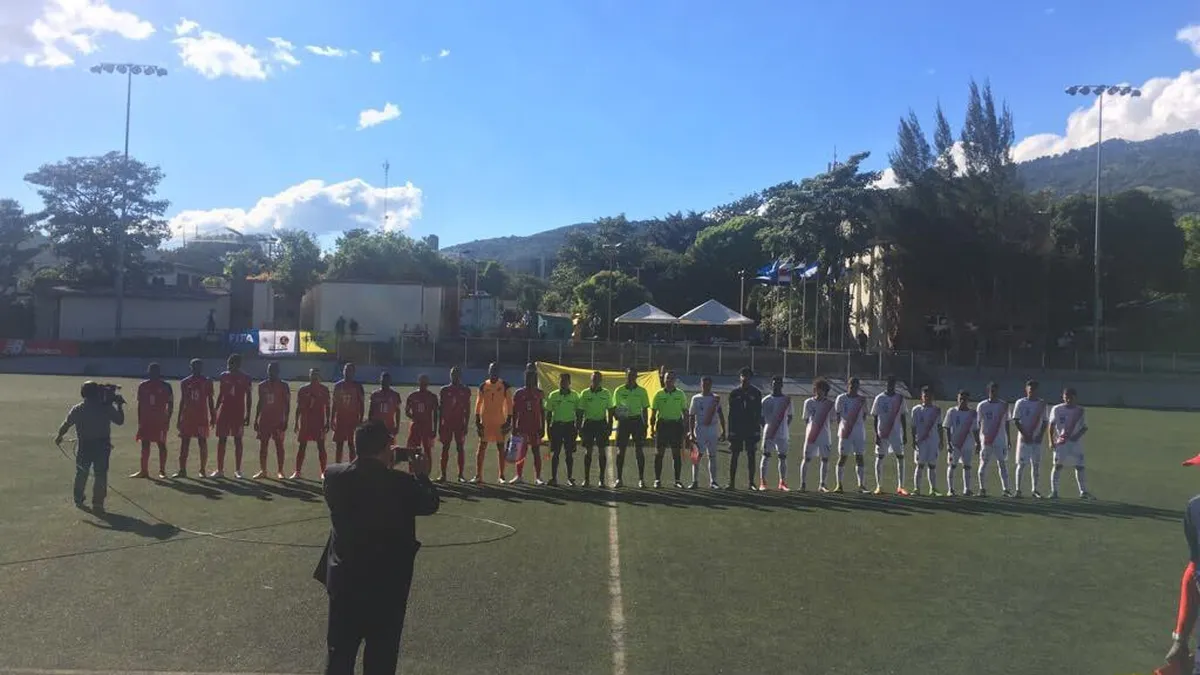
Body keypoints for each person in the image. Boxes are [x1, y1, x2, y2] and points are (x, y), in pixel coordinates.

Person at [315, 419, 440, 675]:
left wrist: (380, 461)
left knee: (339, 656)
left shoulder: (334, 477)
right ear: (385, 449)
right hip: (386, 586)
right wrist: (422, 475)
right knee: (381, 659)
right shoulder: (402, 484)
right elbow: (430, 504)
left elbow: (353, 473)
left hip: (345, 582)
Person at [56, 381, 125, 514]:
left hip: (84, 445)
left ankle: (78, 497)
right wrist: (119, 406)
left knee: (81, 472)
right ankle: (98, 503)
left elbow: (66, 424)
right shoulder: (105, 407)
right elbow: (120, 421)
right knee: (101, 475)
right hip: (102, 445)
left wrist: (59, 436)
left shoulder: (78, 408)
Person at [213, 353, 253, 478]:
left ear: (238, 364)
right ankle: (220, 470)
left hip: (238, 412)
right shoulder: (223, 376)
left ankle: (238, 470)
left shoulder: (246, 378)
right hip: (224, 411)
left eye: (231, 363)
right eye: (228, 363)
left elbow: (249, 396)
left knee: (238, 439)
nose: (229, 365)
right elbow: (221, 394)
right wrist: (215, 410)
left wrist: (248, 414)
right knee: (222, 439)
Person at [1048, 387, 1092, 499]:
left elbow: (1085, 427)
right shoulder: (1057, 409)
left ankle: (1083, 492)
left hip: (1076, 443)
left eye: (1071, 398)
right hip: (1061, 442)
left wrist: (1076, 436)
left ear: (1075, 398)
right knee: (1057, 466)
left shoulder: (1080, 410)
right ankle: (1054, 492)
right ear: (1063, 397)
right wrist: (1051, 441)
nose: (1068, 400)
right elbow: (1051, 425)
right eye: (1066, 397)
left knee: (1080, 466)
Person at [870, 375, 910, 495]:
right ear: (886, 384)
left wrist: (905, 434)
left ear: (895, 384)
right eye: (889, 383)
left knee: (900, 457)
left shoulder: (900, 398)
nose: (890, 385)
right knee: (880, 457)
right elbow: (875, 417)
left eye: (892, 383)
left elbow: (903, 416)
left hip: (896, 433)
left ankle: (901, 486)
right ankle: (879, 486)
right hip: (882, 432)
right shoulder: (879, 398)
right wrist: (876, 435)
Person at [132, 363, 172, 479]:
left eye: (156, 371)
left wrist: (168, 418)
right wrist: (140, 420)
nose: (153, 373)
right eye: (151, 371)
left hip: (160, 420)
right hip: (146, 420)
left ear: (159, 372)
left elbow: (171, 404)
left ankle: (162, 471)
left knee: (161, 444)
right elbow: (140, 404)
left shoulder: (166, 386)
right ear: (148, 372)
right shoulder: (143, 386)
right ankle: (144, 470)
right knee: (145, 444)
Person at [474, 363, 512, 483]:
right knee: (482, 447)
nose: (493, 372)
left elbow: (510, 404)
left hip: (499, 421)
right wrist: (477, 420)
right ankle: (478, 475)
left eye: (495, 370)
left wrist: (508, 420)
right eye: (492, 370)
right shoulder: (483, 386)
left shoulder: (505, 386)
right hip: (485, 421)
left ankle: (501, 476)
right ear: (488, 371)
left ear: (499, 372)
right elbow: (478, 404)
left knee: (501, 448)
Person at [612, 368, 651, 488]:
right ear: (626, 376)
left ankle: (641, 479)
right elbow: (615, 407)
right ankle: (619, 479)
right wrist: (619, 415)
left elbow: (644, 409)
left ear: (636, 377)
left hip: (637, 422)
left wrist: (645, 425)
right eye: (629, 375)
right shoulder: (619, 390)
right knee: (620, 451)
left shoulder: (642, 391)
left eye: (633, 375)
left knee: (639, 450)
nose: (631, 378)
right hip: (624, 422)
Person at [177, 358, 215, 478]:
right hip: (188, 416)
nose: (196, 369)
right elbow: (182, 400)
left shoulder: (207, 382)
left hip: (201, 417)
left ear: (201, 368)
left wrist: (213, 415)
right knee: (185, 443)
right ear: (191, 367)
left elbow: (210, 400)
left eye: (198, 366)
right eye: (194, 366)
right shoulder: (185, 382)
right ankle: (182, 470)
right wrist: (179, 418)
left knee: (202, 442)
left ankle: (202, 470)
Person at [1011, 379, 1048, 498]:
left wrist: (1040, 435)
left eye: (1034, 389)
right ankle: (1018, 490)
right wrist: (1025, 434)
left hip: (1036, 440)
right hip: (1024, 440)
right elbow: (1016, 420)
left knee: (1036, 465)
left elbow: (1045, 421)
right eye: (1030, 389)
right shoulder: (1020, 403)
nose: (1032, 391)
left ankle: (1035, 490)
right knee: (1021, 465)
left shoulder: (1041, 404)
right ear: (1026, 389)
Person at [727, 367, 763, 490]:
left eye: (747, 376)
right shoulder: (734, 393)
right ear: (740, 377)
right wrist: (730, 430)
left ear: (751, 378)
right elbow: (731, 413)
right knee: (734, 455)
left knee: (751, 455)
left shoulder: (756, 393)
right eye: (743, 375)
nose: (745, 378)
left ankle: (751, 483)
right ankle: (731, 483)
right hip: (737, 428)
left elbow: (758, 413)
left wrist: (757, 430)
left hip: (751, 428)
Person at [650, 370, 687, 489]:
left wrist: (685, 429)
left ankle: (677, 480)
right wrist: (652, 428)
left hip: (676, 426)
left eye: (671, 378)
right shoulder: (659, 394)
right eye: (667, 378)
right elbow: (653, 413)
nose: (669, 380)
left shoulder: (680, 394)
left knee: (676, 454)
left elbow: (685, 412)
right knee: (659, 453)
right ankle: (657, 480)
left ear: (675, 380)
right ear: (664, 380)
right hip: (663, 426)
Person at [254, 362, 291, 480]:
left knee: (279, 445)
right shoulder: (262, 385)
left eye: (273, 370)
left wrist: (286, 420)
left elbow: (287, 404)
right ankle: (263, 470)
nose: (271, 372)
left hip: (278, 420)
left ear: (278, 371)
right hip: (265, 420)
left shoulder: (284, 386)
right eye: (269, 370)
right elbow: (260, 402)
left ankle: (280, 471)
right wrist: (256, 419)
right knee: (263, 445)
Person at [687, 376, 725, 489]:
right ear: (701, 384)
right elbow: (691, 416)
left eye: (708, 384)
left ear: (711, 385)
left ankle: (713, 482)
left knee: (712, 456)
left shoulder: (716, 398)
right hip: (700, 429)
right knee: (696, 457)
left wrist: (723, 430)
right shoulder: (696, 398)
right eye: (704, 384)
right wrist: (691, 433)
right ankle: (694, 481)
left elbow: (721, 414)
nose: (706, 386)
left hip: (712, 429)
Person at [976, 381, 1012, 497]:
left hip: (1000, 439)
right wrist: (978, 441)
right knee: (983, 463)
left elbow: (1007, 422)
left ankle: (1006, 490)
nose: (994, 393)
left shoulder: (1004, 405)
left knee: (1002, 464)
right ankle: (982, 489)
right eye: (992, 391)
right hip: (986, 440)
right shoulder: (982, 405)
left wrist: (1008, 439)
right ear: (988, 391)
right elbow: (977, 423)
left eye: (995, 391)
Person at [577, 371, 613, 487]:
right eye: (593, 379)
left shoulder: (606, 393)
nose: (595, 381)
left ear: (601, 380)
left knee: (602, 451)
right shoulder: (585, 393)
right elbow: (580, 411)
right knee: (588, 451)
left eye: (597, 379)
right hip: (589, 424)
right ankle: (586, 479)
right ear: (591, 380)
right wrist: (579, 427)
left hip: (601, 424)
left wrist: (610, 425)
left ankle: (601, 479)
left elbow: (610, 410)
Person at [510, 369, 545, 485]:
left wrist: (542, 427)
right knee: (521, 452)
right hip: (522, 426)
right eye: (527, 378)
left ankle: (538, 477)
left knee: (536, 451)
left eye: (531, 378)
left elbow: (542, 411)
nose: (529, 380)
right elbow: (514, 411)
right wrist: (513, 427)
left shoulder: (539, 393)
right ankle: (519, 476)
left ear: (534, 379)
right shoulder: (519, 393)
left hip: (535, 427)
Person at [759, 376, 794, 491]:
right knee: (766, 456)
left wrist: (783, 427)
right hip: (769, 433)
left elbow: (790, 416)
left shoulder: (787, 400)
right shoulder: (766, 400)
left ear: (782, 385)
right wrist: (767, 427)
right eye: (774, 384)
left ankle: (782, 482)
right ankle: (763, 483)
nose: (776, 386)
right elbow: (761, 417)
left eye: (778, 384)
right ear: (771, 385)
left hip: (782, 433)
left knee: (782, 457)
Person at [833, 377, 868, 493]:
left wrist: (857, 425)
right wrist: (844, 427)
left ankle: (861, 485)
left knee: (859, 457)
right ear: (848, 386)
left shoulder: (862, 399)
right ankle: (839, 485)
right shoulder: (841, 398)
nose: (854, 389)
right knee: (842, 457)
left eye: (856, 387)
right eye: (852, 386)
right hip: (845, 432)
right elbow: (838, 415)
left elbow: (864, 415)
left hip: (859, 432)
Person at [295, 368, 331, 479]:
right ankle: (297, 471)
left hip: (319, 423)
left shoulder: (324, 389)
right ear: (309, 375)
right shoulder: (303, 389)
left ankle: (323, 472)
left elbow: (327, 406)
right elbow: (298, 407)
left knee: (321, 446)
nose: (314, 376)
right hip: (305, 422)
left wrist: (327, 421)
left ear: (319, 376)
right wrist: (296, 422)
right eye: (312, 374)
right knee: (302, 446)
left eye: (316, 374)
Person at [437, 366, 472, 483]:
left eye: (456, 374)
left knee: (460, 448)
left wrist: (466, 424)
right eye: (452, 374)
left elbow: (467, 409)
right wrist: (440, 426)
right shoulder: (444, 390)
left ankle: (461, 475)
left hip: (459, 423)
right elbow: (440, 410)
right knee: (445, 448)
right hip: (447, 424)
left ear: (460, 376)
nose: (454, 376)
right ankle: (443, 475)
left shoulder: (465, 390)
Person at [545, 372, 580, 486]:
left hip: (569, 427)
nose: (563, 383)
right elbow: (549, 413)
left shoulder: (575, 396)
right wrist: (548, 428)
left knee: (569, 453)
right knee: (555, 453)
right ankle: (553, 478)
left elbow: (578, 413)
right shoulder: (553, 395)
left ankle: (570, 478)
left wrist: (577, 429)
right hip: (556, 427)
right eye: (561, 381)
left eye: (565, 381)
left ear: (569, 382)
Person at [799, 378, 834, 492]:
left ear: (825, 391)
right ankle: (803, 484)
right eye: (817, 388)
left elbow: (832, 420)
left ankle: (822, 484)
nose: (819, 391)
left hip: (824, 435)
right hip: (811, 435)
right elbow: (806, 419)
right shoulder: (808, 402)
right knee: (806, 459)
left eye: (821, 389)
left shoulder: (830, 404)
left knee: (825, 459)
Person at [942, 390, 978, 496]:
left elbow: (975, 429)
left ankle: (967, 489)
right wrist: (948, 443)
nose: (962, 401)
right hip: (955, 444)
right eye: (960, 399)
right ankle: (950, 489)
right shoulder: (952, 411)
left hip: (968, 444)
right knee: (952, 465)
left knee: (967, 466)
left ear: (968, 400)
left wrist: (978, 442)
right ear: (957, 399)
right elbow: (947, 427)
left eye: (964, 399)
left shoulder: (972, 413)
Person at [909, 385, 943, 496]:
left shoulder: (937, 410)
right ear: (922, 396)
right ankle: (917, 489)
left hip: (933, 441)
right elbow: (913, 426)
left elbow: (939, 426)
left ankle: (933, 489)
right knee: (920, 465)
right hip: (921, 441)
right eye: (925, 395)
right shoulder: (916, 410)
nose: (927, 398)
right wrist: (913, 440)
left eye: (929, 396)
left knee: (932, 465)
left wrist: (941, 440)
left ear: (932, 397)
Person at [331, 363, 365, 463]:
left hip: (353, 419)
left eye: (350, 370)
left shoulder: (358, 386)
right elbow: (335, 403)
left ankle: (352, 465)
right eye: (346, 370)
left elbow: (362, 404)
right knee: (339, 444)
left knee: (352, 444)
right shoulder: (338, 386)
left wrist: (361, 419)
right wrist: (332, 419)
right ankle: (338, 465)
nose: (347, 372)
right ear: (343, 371)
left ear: (353, 372)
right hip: (340, 418)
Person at [405, 374, 439, 470]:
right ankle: (412, 471)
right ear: (419, 382)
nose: (423, 385)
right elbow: (407, 411)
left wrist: (434, 429)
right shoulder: (412, 396)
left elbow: (435, 414)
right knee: (413, 449)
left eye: (425, 383)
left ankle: (427, 472)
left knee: (427, 451)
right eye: (422, 382)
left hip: (427, 427)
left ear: (428, 384)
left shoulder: (432, 397)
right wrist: (414, 417)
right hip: (415, 427)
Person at [369, 372, 403, 445]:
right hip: (377, 426)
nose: (385, 382)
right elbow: (371, 411)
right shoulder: (375, 394)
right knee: (377, 447)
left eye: (387, 380)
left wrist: (397, 426)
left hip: (390, 426)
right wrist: (369, 425)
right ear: (380, 381)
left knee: (390, 447)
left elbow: (398, 412)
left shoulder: (395, 395)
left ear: (390, 381)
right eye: (383, 380)